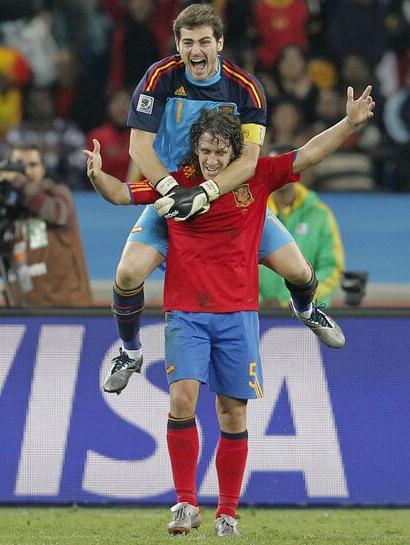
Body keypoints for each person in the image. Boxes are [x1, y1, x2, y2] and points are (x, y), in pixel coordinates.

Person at [84, 89, 375, 535]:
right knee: (182, 401)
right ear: (195, 149)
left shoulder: (254, 176)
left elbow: (308, 154)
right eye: (206, 151)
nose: (213, 161)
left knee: (232, 414)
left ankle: (227, 513)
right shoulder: (177, 182)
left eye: (221, 152)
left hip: (238, 313)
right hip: (185, 312)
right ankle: (184, 503)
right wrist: (98, 175)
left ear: (234, 152)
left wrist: (350, 123)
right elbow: (123, 193)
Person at [103, 3, 347, 395]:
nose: (195, 51)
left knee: (300, 273)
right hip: (172, 194)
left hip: (235, 202)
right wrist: (173, 191)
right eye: (187, 43)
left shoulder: (245, 88)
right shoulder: (160, 77)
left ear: (220, 43)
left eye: (203, 42)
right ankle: (130, 352)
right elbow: (139, 148)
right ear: (177, 45)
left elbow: (249, 160)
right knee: (128, 274)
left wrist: (205, 193)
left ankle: (305, 308)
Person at [0, 143, 93, 307]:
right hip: (24, 314)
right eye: (19, 166)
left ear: (43, 168)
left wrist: (18, 181)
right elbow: (3, 266)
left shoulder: (58, 193)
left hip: (68, 312)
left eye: (33, 165)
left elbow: (57, 214)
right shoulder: (10, 210)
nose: (26, 171)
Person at [259, 146, 345, 308]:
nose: (279, 172)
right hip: (256, 311)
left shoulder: (320, 214)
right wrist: (258, 301)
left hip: (303, 313)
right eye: (274, 166)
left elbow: (332, 269)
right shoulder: (252, 212)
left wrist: (295, 301)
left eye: (283, 167)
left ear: (296, 169)